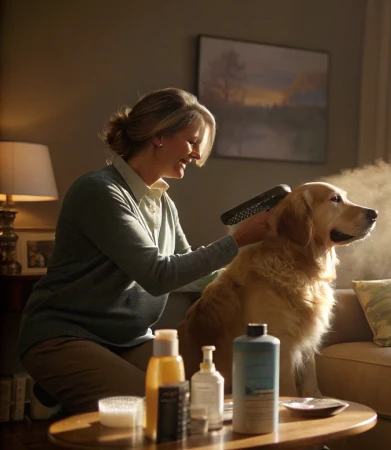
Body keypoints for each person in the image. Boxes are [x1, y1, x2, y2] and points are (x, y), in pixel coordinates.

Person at [17, 87, 275, 414]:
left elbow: (189, 274)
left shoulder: (162, 202)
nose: (196, 154)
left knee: (201, 404)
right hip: (66, 336)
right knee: (157, 410)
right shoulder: (99, 191)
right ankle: (71, 380)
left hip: (129, 339)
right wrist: (237, 239)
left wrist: (256, 272)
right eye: (192, 141)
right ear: (159, 136)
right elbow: (158, 275)